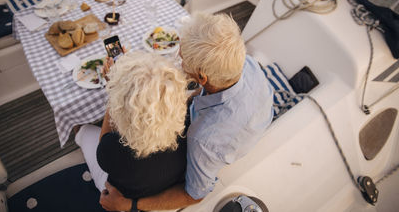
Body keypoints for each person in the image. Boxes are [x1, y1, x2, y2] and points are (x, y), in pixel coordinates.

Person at [99, 13, 274, 211]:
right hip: (257, 116)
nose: (179, 62)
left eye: (182, 58)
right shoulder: (243, 63)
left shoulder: (203, 140)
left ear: (201, 77)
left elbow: (194, 195)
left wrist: (129, 205)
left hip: (227, 140)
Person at [74, 51, 189, 206]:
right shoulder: (189, 128)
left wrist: (113, 89)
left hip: (123, 196)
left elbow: (105, 139)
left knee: (81, 128)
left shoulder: (112, 148)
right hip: (162, 186)